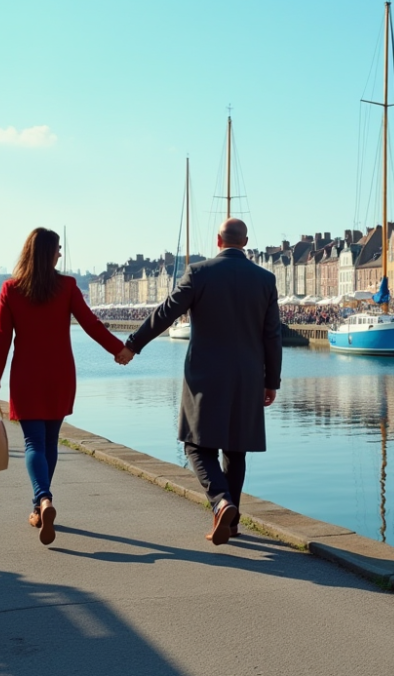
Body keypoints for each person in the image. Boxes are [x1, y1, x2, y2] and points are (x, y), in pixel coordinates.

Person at [123, 217, 282, 546]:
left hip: (206, 375)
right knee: (236, 450)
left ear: (218, 241)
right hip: (249, 376)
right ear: (246, 241)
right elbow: (272, 336)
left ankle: (221, 502)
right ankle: (232, 522)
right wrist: (272, 381)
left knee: (196, 445)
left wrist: (133, 345)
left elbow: (166, 312)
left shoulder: (199, 273)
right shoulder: (265, 280)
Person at [0, 228, 133, 546]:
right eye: (58, 249)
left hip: (26, 375)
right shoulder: (66, 286)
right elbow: (91, 323)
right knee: (50, 444)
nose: (61, 254)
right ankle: (40, 506)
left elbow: (2, 340)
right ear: (49, 253)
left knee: (33, 445)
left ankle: (42, 500)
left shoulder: (11, 289)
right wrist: (118, 349)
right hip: (60, 374)